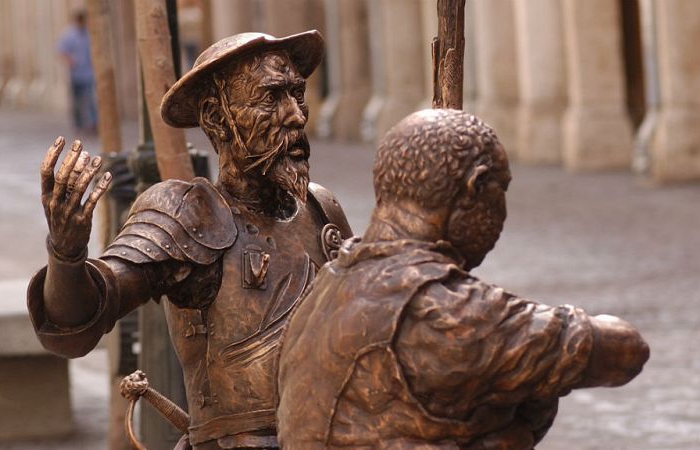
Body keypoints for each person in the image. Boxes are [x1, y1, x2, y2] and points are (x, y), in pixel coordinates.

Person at [28, 31, 351, 450]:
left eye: (297, 94)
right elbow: (74, 326)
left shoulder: (321, 209)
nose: (295, 115)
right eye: (272, 98)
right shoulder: (188, 215)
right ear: (218, 118)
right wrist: (68, 254)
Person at [277, 109, 650, 449]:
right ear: (477, 187)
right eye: (500, 191)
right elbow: (625, 350)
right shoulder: (444, 311)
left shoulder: (328, 284)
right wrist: (535, 338)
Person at [57, 10, 97, 133]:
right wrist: (71, 61)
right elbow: (61, 50)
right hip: (76, 74)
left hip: (88, 73)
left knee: (90, 98)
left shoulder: (88, 33)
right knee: (77, 101)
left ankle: (92, 123)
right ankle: (78, 124)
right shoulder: (70, 35)